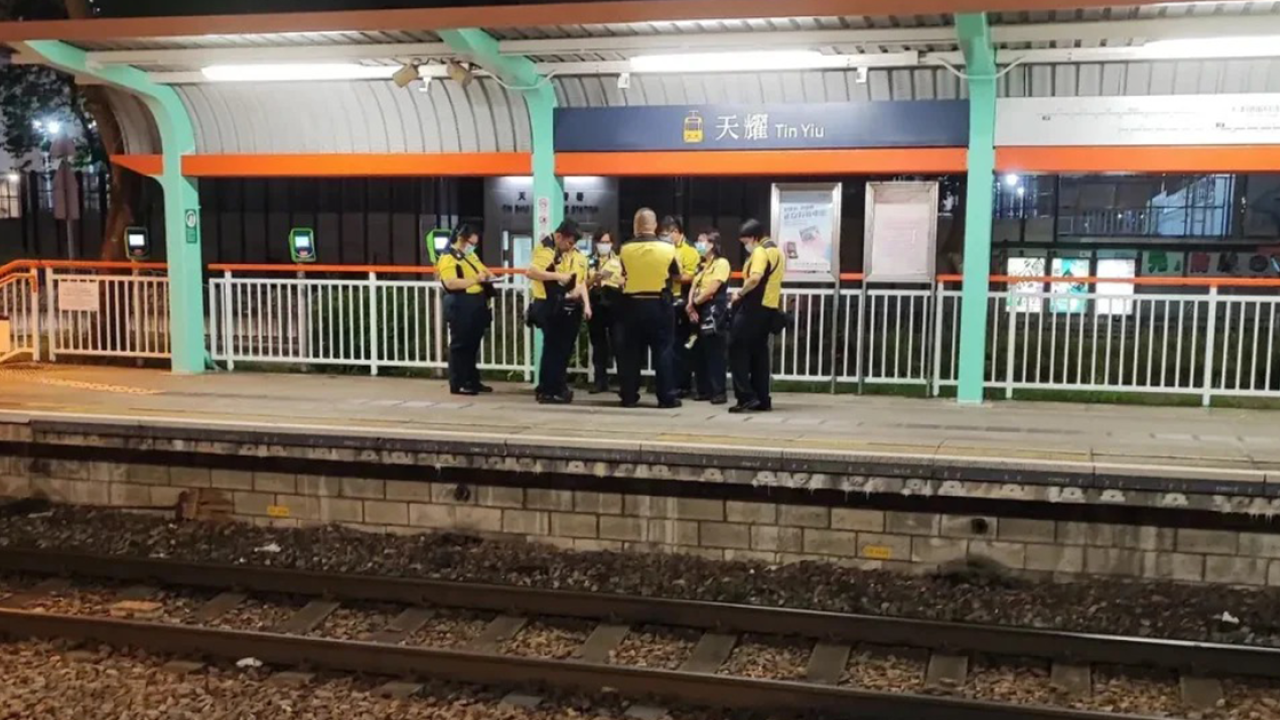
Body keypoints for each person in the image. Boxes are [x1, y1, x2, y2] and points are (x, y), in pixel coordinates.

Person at [618, 208, 681, 409]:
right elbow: (677, 275)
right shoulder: (668, 248)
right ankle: (666, 397)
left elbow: (622, 274)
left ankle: (629, 396)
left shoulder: (624, 249)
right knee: (663, 351)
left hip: (631, 304)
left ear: (636, 226)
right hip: (659, 304)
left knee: (631, 353)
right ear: (655, 226)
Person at [527, 219, 592, 404]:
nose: (570, 247)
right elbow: (532, 272)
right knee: (554, 350)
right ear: (559, 236)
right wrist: (559, 276)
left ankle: (554, 387)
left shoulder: (564, 252)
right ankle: (549, 390)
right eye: (569, 243)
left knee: (558, 350)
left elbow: (578, 281)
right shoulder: (546, 249)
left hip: (562, 305)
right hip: (549, 305)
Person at [728, 219, 785, 413]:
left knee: (737, 348)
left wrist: (740, 293)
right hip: (768, 308)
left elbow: (755, 278)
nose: (745, 246)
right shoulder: (776, 251)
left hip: (753, 307)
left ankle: (745, 397)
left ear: (754, 238)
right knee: (759, 354)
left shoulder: (760, 251)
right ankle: (762, 398)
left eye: (745, 242)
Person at [436, 224, 495, 396]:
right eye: (471, 241)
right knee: (460, 345)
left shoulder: (469, 255)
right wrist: (476, 280)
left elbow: (483, 270)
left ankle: (472, 380)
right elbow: (450, 283)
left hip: (476, 302)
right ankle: (458, 382)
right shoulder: (448, 257)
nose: (473, 245)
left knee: (472, 344)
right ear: (462, 238)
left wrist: (490, 276)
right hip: (460, 302)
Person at [686, 231, 731, 404]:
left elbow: (712, 288)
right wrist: (690, 304)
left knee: (714, 351)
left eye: (702, 241)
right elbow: (693, 285)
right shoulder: (701, 264)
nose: (698, 244)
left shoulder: (721, 263)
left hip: (713, 310)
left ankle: (718, 391)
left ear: (712, 244)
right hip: (697, 308)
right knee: (698, 350)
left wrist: (696, 302)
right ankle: (702, 389)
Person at [661, 216, 700, 398]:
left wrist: (675, 276)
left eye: (668, 233)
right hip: (666, 298)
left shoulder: (689, 250)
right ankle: (671, 382)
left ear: (676, 231)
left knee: (681, 344)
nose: (666, 237)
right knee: (668, 344)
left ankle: (683, 384)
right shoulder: (665, 249)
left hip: (681, 300)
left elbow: (692, 276)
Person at [587, 229, 624, 394]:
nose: (604, 245)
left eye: (607, 242)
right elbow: (582, 283)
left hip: (614, 303)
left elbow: (625, 279)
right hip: (596, 302)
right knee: (598, 344)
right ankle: (600, 381)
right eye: (601, 242)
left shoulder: (619, 260)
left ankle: (623, 381)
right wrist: (594, 280)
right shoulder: (589, 261)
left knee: (618, 343)